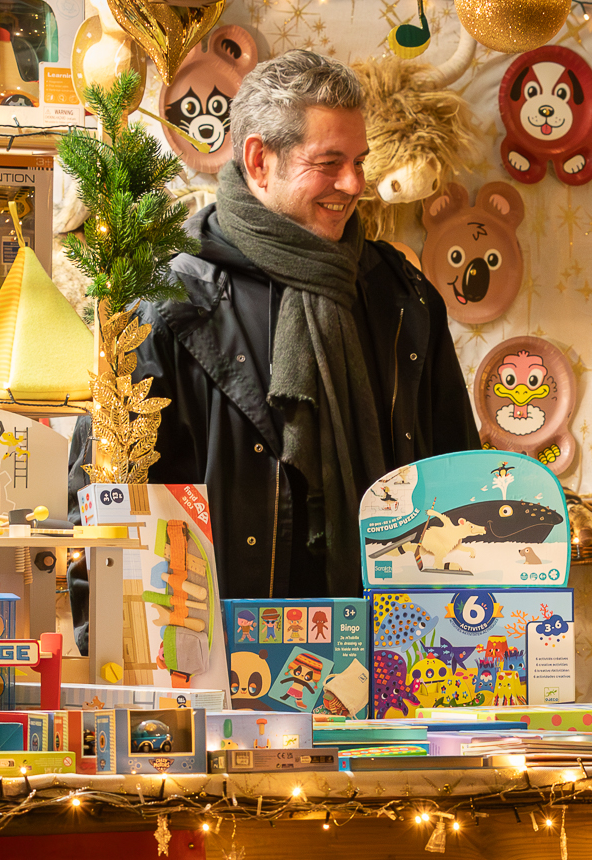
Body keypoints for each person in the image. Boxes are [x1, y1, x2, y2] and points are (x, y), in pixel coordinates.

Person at [76, 49, 475, 603]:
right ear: (260, 160)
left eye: (359, 160)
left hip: (392, 650)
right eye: (329, 162)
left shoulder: (404, 299)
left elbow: (459, 480)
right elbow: (104, 498)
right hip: (214, 659)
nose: (354, 182)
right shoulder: (165, 301)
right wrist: (119, 666)